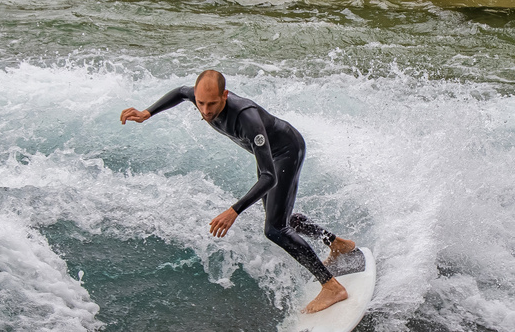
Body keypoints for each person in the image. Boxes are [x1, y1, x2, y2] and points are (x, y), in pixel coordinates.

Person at [120, 69, 356, 314]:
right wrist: (147, 112)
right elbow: (181, 92)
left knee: (275, 229)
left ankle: (331, 287)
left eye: (212, 104)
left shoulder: (247, 118)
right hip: (270, 157)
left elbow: (269, 177)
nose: (206, 110)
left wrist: (234, 211)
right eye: (200, 103)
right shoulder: (199, 96)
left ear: (225, 95)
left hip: (285, 152)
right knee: (278, 216)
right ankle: (337, 244)